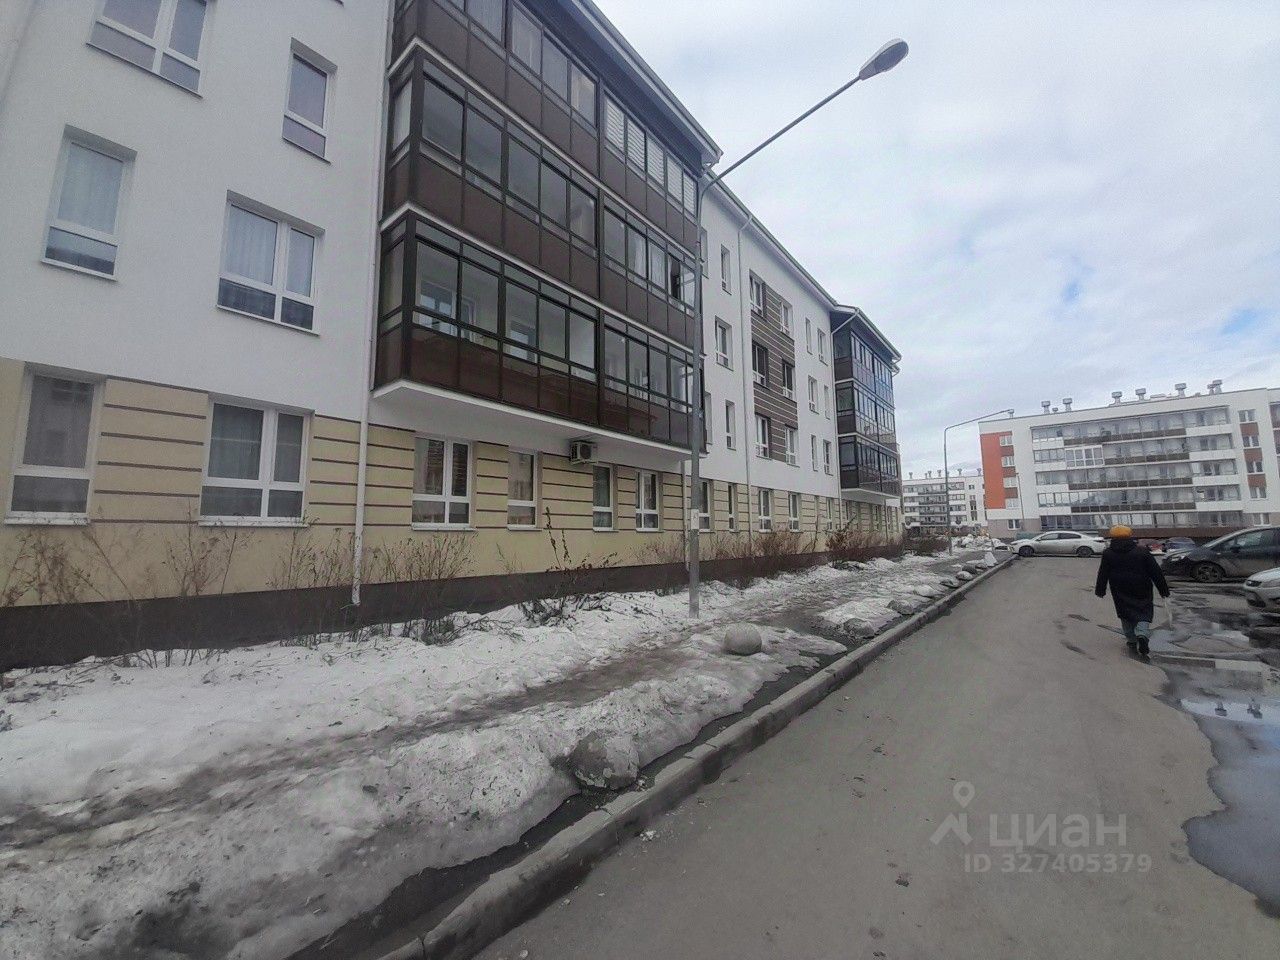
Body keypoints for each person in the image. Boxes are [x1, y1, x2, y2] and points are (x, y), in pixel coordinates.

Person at [1094, 524, 1170, 658]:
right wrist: (1163, 590)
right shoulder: (1142, 551)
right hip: (1142, 586)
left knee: (1125, 613)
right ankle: (1142, 634)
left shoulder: (1108, 553)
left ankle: (1131, 639)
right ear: (1130, 535)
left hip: (1119, 587)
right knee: (1144, 611)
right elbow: (1155, 571)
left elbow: (1103, 572)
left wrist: (1100, 590)